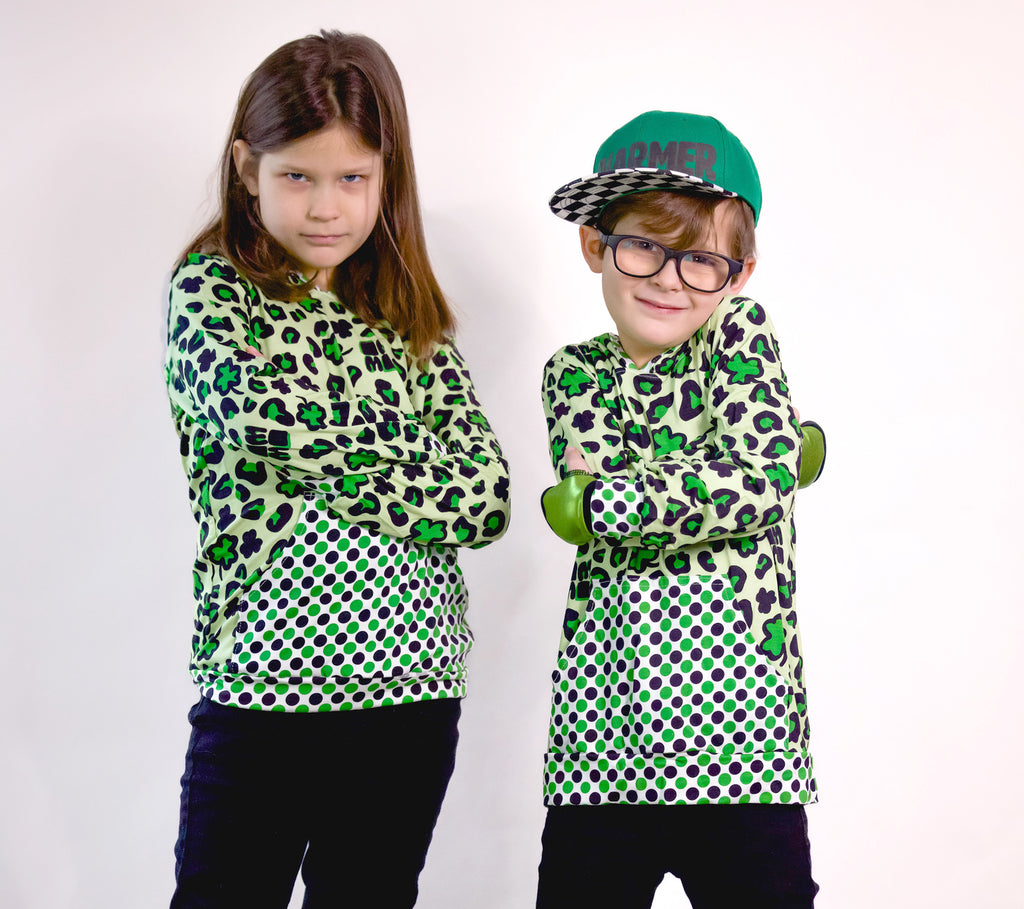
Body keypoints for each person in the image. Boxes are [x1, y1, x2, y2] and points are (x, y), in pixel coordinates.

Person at [164, 30, 510, 909]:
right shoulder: (211, 289)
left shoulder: (405, 311)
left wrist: (326, 452)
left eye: (352, 178)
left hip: (410, 697)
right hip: (260, 692)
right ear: (246, 169)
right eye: (298, 176)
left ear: (388, 176)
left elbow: (485, 497)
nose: (326, 207)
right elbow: (254, 414)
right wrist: (406, 446)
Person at [536, 111, 824, 908]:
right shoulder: (574, 372)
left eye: (700, 259)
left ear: (739, 272)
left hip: (745, 749)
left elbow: (756, 481)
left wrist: (610, 500)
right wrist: (758, 460)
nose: (669, 278)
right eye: (643, 246)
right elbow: (748, 477)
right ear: (595, 244)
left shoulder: (741, 332)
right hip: (602, 749)